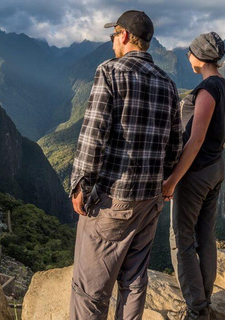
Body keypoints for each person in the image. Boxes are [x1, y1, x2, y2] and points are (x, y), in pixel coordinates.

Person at [69, 10, 182, 319]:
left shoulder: (110, 72)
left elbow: (94, 134)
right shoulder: (169, 84)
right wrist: (163, 183)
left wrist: (81, 183)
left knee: (90, 289)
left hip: (114, 200)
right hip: (151, 199)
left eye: (112, 36)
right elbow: (175, 146)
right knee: (133, 282)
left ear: (122, 36)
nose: (111, 42)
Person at [163, 32, 225, 320]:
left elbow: (195, 139)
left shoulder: (208, 90)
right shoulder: (222, 86)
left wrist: (172, 180)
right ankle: (205, 302)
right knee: (205, 235)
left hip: (196, 173)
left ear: (199, 57)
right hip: (215, 168)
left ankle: (197, 310)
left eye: (189, 52)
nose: (187, 56)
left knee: (182, 238)